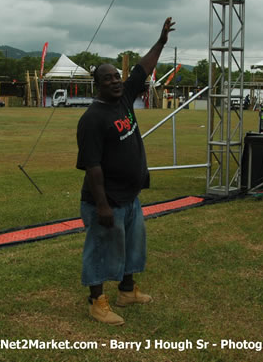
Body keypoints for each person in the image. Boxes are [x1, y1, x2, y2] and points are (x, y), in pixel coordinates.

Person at [76, 17, 175, 326]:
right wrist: (102, 205)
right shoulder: (92, 119)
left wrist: (160, 42)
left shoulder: (124, 101)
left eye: (116, 76)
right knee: (101, 249)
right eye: (108, 79)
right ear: (98, 84)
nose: (116, 81)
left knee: (132, 246)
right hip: (105, 201)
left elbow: (142, 69)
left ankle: (127, 291)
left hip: (130, 195)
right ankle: (96, 302)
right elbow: (92, 166)